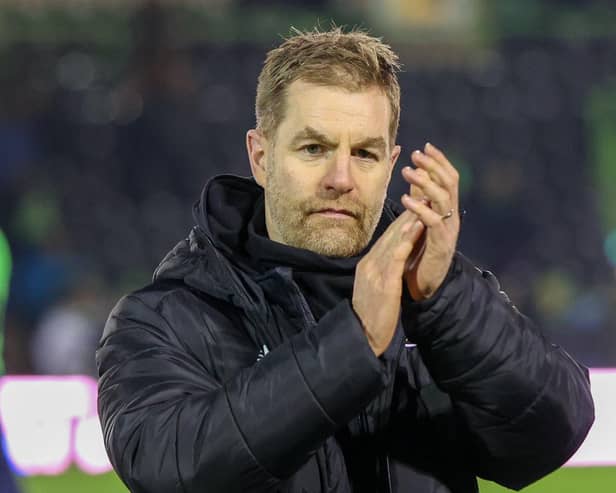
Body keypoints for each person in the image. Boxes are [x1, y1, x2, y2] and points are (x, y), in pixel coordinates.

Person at [96, 27, 594, 493]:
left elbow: (550, 435)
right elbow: (173, 469)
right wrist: (355, 344)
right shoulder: (162, 320)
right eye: (314, 148)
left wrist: (444, 301)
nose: (341, 177)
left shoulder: (433, 307)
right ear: (260, 157)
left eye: (365, 153)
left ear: (391, 165)